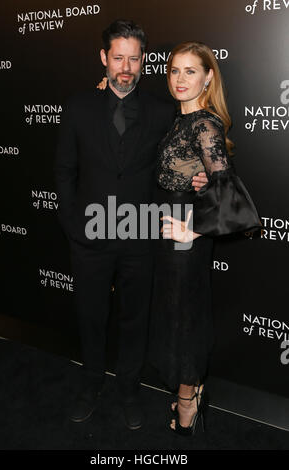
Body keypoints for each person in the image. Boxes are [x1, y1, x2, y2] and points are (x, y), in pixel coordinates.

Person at [54, 20, 207, 430]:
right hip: (89, 234)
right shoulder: (78, 107)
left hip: (140, 235)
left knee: (134, 321)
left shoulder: (162, 111)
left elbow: (183, 157)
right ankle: (90, 385)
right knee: (91, 315)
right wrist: (73, 225)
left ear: (143, 61)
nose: (126, 67)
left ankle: (127, 392)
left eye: (134, 58)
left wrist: (200, 175)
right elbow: (65, 170)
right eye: (118, 57)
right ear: (104, 58)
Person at [148, 41, 262, 436]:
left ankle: (187, 403)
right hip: (168, 238)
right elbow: (201, 179)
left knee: (185, 321)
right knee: (177, 316)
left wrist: (193, 228)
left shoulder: (203, 124)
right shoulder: (181, 119)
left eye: (190, 71)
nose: (180, 79)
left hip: (185, 242)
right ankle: (191, 388)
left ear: (208, 76)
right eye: (174, 70)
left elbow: (238, 204)